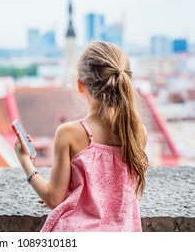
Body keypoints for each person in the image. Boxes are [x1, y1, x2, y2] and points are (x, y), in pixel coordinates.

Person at [14, 41, 148, 232]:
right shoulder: (138, 132)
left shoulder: (69, 133)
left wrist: (25, 161)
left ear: (81, 85)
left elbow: (53, 198)